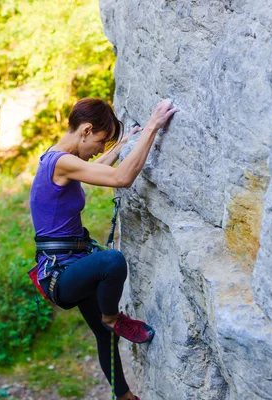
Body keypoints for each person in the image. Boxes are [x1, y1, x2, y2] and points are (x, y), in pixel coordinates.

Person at [29, 98, 178, 400]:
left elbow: (93, 169)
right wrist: (152, 128)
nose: (99, 148)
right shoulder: (61, 162)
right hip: (61, 273)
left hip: (71, 264)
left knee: (103, 337)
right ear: (85, 130)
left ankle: (123, 396)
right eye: (99, 140)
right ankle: (112, 317)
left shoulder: (54, 158)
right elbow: (121, 179)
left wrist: (121, 147)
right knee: (111, 261)